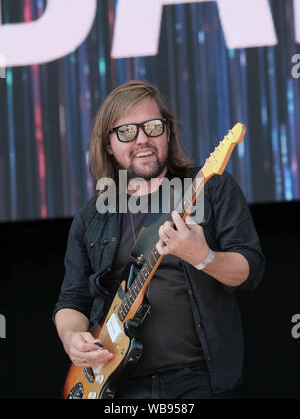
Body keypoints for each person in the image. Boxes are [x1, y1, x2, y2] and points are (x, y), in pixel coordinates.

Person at [53, 80, 265, 399]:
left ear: (168, 132)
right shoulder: (91, 217)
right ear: (108, 144)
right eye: (126, 131)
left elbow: (251, 270)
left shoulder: (211, 187)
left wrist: (203, 257)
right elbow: (71, 300)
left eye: (153, 126)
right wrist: (72, 337)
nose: (142, 139)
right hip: (118, 385)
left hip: (199, 379)